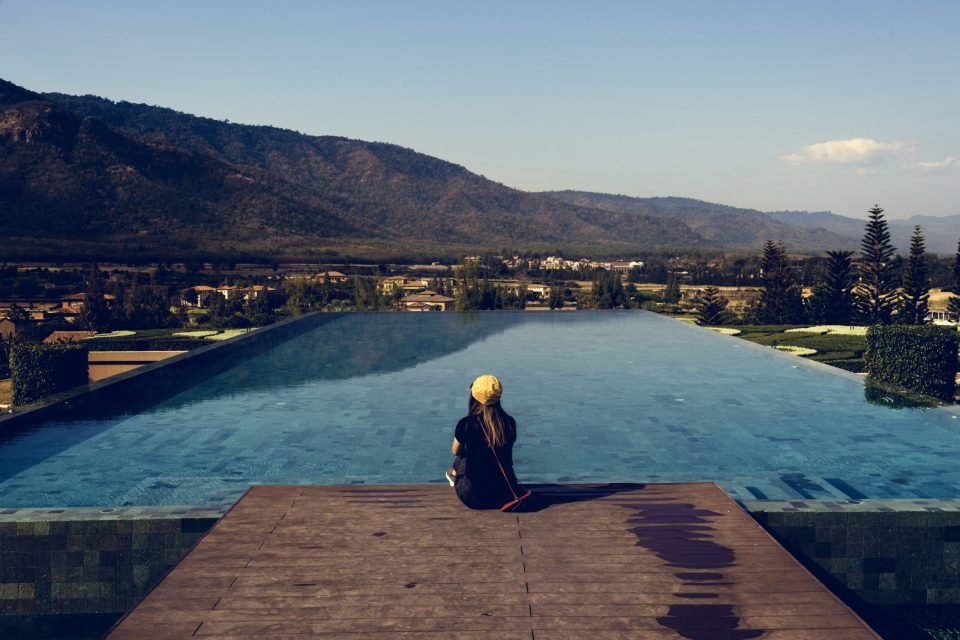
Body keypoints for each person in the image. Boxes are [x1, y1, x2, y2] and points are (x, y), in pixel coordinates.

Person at [446, 374, 528, 510]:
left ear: (474, 396)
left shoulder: (466, 424)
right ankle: (455, 473)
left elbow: (454, 451)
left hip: (473, 497)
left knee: (463, 456)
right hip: (504, 495)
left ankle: (453, 475)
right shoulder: (509, 423)